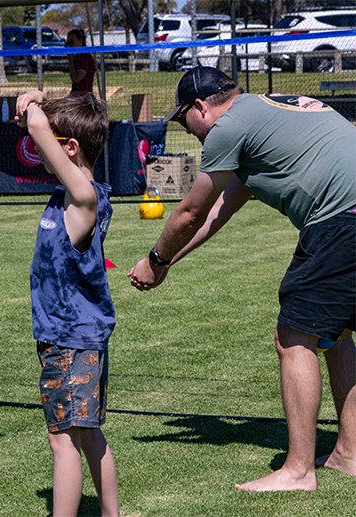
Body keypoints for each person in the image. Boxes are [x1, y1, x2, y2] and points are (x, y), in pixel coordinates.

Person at [128, 66, 356, 492]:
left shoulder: (228, 127)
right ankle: (349, 452)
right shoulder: (263, 113)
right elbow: (216, 213)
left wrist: (155, 258)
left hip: (341, 217)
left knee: (295, 336)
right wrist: (167, 263)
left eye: (183, 119)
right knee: (335, 332)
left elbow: (191, 211)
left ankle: (298, 471)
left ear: (200, 106)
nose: (188, 129)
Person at [16, 91, 119, 517]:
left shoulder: (84, 200)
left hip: (70, 340)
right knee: (88, 432)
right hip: (71, 336)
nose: (38, 148)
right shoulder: (71, 196)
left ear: (69, 149)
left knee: (64, 440)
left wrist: (31, 104)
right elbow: (45, 129)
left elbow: (38, 126)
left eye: (48, 146)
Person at [65, 29, 97, 97]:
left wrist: (70, 60)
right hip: (75, 94)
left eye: (71, 42)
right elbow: (73, 78)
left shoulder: (86, 57)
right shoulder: (76, 57)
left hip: (85, 96)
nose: (68, 46)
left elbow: (76, 79)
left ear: (81, 41)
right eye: (67, 43)